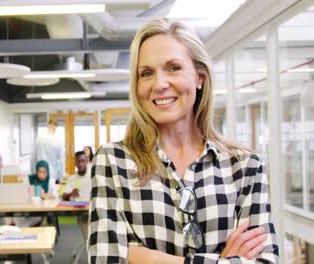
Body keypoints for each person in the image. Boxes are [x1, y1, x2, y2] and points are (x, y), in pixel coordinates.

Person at [88, 18, 278, 263]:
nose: (160, 84)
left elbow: (266, 260)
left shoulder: (243, 165)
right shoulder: (114, 162)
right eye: (146, 73)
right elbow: (105, 260)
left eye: (173, 68)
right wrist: (223, 259)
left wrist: (142, 257)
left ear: (199, 77)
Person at [12, 160, 57, 227]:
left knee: (24, 224)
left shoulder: (50, 181)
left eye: (44, 172)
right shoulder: (31, 179)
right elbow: (23, 191)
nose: (41, 174)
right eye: (39, 172)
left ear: (47, 172)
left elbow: (55, 196)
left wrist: (44, 195)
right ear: (36, 171)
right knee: (17, 218)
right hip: (27, 209)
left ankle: (24, 232)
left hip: (39, 212)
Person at [62, 151, 91, 239]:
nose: (81, 164)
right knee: (89, 237)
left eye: (83, 161)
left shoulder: (93, 176)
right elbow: (63, 197)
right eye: (78, 161)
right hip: (82, 213)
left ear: (86, 161)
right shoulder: (72, 179)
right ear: (75, 163)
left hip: (95, 211)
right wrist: (71, 193)